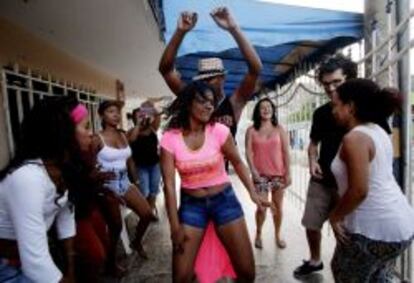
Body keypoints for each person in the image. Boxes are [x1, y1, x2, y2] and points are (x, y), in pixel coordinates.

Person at [160, 81, 270, 283]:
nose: (209, 106)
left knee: (247, 274)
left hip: (224, 201)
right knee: (181, 277)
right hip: (192, 206)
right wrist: (175, 227)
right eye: (202, 101)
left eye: (211, 102)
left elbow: (237, 162)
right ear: (188, 103)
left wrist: (253, 194)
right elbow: (168, 185)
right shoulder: (170, 138)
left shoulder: (219, 131)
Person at [294, 55, 393, 277]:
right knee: (311, 223)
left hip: (351, 185)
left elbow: (385, 146)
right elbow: (313, 144)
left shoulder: (369, 113)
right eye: (326, 83)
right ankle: (315, 259)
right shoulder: (321, 113)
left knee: (347, 233)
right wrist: (312, 161)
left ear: (350, 79)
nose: (330, 89)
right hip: (323, 179)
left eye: (336, 82)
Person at [329, 78, 414, 282]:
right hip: (399, 225)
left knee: (345, 275)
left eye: (335, 105)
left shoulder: (355, 138)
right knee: (377, 277)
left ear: (350, 107)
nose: (333, 110)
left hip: (373, 230)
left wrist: (334, 216)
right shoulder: (378, 131)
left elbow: (359, 190)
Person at [0, 97, 89, 282]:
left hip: (26, 260)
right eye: (85, 126)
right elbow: (34, 261)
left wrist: (70, 268)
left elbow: (66, 215)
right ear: (63, 133)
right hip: (7, 266)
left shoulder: (62, 169)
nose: (91, 134)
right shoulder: (28, 177)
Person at [158, 6, 262, 137]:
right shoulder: (192, 97)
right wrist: (180, 32)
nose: (206, 83)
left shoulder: (234, 102)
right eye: (203, 80)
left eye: (210, 79)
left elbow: (255, 69)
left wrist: (233, 28)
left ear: (222, 78)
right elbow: (165, 70)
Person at [94, 100, 153, 259]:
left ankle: (137, 242)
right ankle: (111, 261)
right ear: (101, 115)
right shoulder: (97, 139)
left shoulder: (122, 135)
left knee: (147, 214)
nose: (115, 115)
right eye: (110, 111)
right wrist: (97, 178)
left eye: (117, 112)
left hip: (125, 181)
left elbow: (130, 161)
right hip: (107, 186)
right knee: (116, 227)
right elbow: (88, 164)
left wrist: (137, 182)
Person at [245, 97, 291, 250]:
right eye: (262, 107)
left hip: (278, 174)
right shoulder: (251, 130)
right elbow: (248, 152)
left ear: (273, 110)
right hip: (260, 175)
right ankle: (258, 233)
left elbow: (286, 152)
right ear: (258, 111)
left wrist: (288, 173)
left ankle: (277, 235)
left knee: (278, 207)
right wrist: (253, 171)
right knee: (262, 207)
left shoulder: (280, 129)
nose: (266, 109)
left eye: (269, 107)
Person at [128, 101, 162, 220]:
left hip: (155, 165)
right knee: (144, 192)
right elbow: (132, 140)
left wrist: (152, 108)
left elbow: (158, 117)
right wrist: (138, 124)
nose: (141, 117)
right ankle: (146, 212)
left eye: (142, 115)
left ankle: (150, 212)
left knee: (153, 191)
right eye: (138, 115)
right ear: (133, 118)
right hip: (141, 166)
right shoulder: (132, 132)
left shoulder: (152, 129)